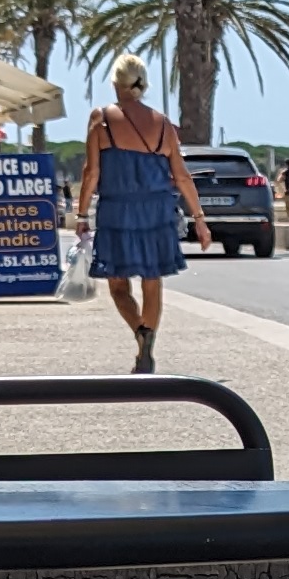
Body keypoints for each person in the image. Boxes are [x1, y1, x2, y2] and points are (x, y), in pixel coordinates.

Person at [75, 55, 213, 376]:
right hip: (157, 211)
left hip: (117, 210)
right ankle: (147, 340)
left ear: (115, 82)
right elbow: (182, 176)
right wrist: (200, 219)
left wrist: (81, 214)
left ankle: (140, 332)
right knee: (153, 281)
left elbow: (91, 172)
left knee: (117, 285)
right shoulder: (163, 124)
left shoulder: (101, 118)